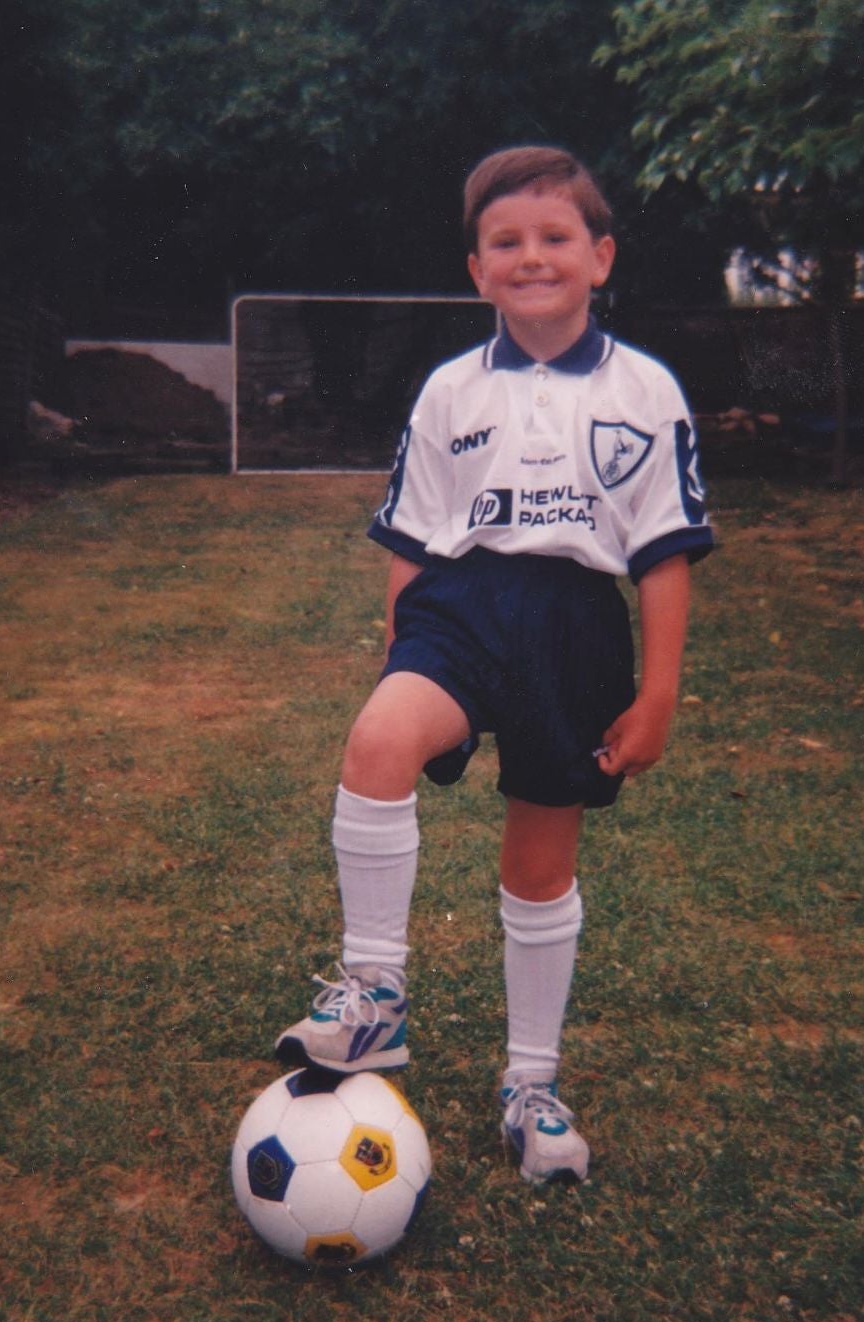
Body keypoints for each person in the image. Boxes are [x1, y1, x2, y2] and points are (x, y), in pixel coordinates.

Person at [276, 146, 714, 1184]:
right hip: (461, 606)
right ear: (477, 271)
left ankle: (531, 1086)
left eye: (555, 237)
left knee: (538, 867)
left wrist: (656, 695)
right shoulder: (448, 391)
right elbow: (410, 535)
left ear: (600, 257)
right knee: (378, 740)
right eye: (505, 242)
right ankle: (375, 995)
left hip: (574, 627)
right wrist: (402, 647)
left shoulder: (645, 390)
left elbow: (662, 557)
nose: (532, 257)